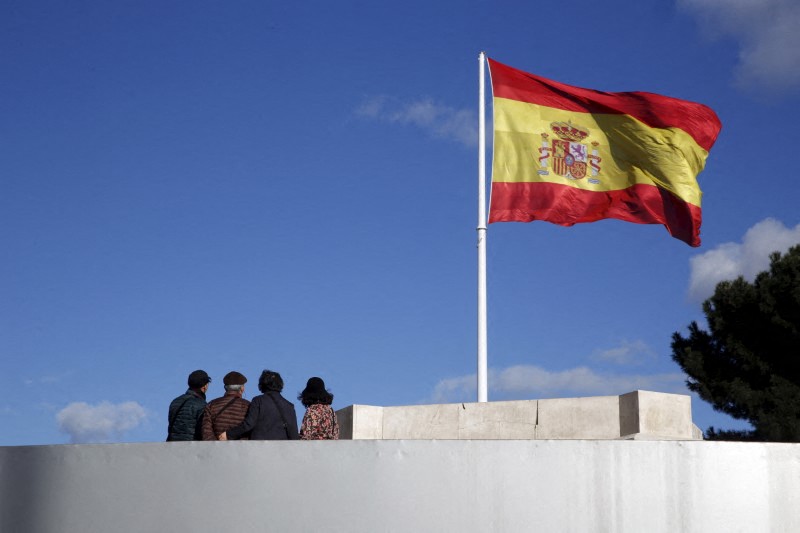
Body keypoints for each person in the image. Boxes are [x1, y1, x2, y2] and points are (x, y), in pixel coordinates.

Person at [219, 370, 299, 441]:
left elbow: (248, 425)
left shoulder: (258, 401)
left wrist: (229, 434)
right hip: (281, 452)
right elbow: (294, 435)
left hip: (260, 450)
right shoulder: (289, 406)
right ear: (280, 384)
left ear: (262, 384)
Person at [201, 371, 251, 441]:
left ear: (225, 388)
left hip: (217, 450)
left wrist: (217, 447)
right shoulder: (248, 406)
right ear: (242, 388)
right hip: (241, 450)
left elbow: (206, 431)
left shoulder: (211, 405)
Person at [167, 370, 211, 441]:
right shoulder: (202, 405)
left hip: (173, 446)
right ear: (204, 386)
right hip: (192, 447)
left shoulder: (175, 402)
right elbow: (203, 431)